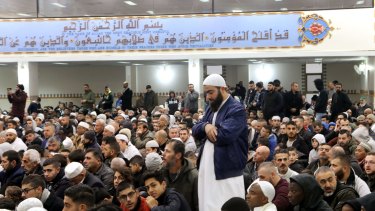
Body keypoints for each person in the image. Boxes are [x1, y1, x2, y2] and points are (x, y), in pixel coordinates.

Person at [192, 74, 248, 211]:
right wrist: (206, 126)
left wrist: (206, 127)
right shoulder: (211, 107)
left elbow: (223, 136)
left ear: (223, 89)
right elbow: (195, 130)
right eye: (206, 93)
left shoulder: (236, 109)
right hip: (208, 168)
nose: (208, 97)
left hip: (227, 171)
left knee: (227, 205)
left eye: (211, 92)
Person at [162, 139, 198, 211]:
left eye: (167, 151)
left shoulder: (194, 177)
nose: (163, 154)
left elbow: (197, 205)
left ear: (178, 155)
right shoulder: (161, 172)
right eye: (164, 150)